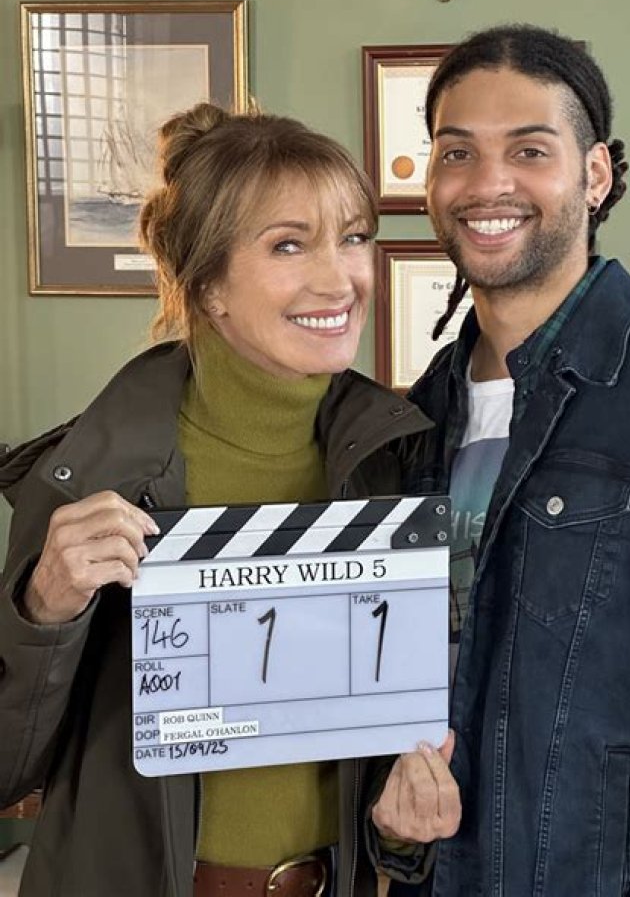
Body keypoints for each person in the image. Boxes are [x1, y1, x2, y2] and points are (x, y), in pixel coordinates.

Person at [0, 103, 433, 897]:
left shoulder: (393, 467)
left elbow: (382, 744)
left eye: (353, 237)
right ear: (208, 287)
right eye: (289, 245)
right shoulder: (86, 477)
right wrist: (44, 610)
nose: (340, 279)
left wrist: (403, 825)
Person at [367, 24, 630, 896]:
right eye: (457, 152)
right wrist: (398, 841)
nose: (488, 183)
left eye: (529, 150)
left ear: (594, 175)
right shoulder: (417, 415)